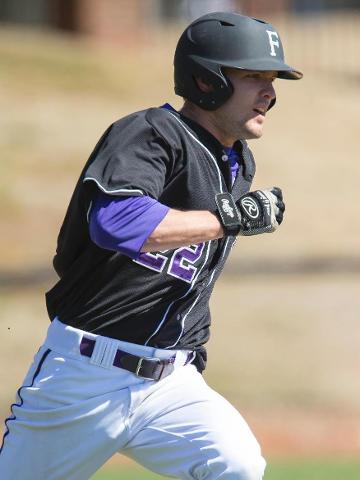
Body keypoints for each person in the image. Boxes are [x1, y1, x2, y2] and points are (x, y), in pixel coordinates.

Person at [0, 11, 302, 480]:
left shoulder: (238, 162)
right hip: (84, 375)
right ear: (208, 81)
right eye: (254, 77)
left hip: (169, 384)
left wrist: (192, 347)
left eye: (272, 79)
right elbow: (115, 222)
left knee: (237, 465)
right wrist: (229, 218)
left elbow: (193, 274)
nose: (270, 92)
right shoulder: (151, 134)